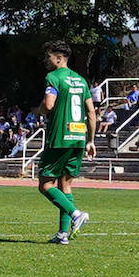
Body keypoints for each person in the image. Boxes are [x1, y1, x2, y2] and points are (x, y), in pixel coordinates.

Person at [36, 41, 95, 244]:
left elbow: (49, 104)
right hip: (78, 138)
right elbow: (91, 112)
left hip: (59, 137)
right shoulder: (80, 80)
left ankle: (75, 214)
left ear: (59, 58)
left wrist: (39, 110)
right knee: (65, 186)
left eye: (48, 57)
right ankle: (62, 235)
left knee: (45, 184)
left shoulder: (53, 77)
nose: (46, 61)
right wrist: (91, 140)